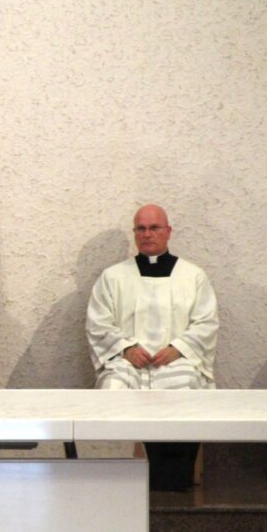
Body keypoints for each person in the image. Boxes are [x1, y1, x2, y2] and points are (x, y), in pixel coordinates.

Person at [86, 204, 219, 490]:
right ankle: (113, 483)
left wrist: (179, 348)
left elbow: (206, 322)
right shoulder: (113, 277)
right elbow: (98, 322)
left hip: (175, 362)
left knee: (185, 389)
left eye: (154, 228)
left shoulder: (192, 276)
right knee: (113, 390)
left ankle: (174, 483)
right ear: (134, 233)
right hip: (127, 363)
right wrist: (125, 348)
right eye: (141, 228)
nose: (148, 234)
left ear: (168, 232)